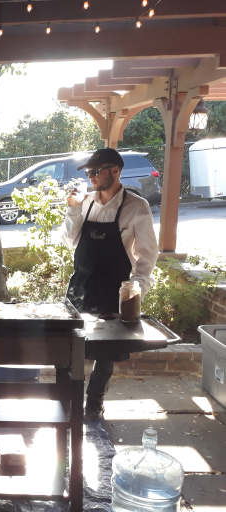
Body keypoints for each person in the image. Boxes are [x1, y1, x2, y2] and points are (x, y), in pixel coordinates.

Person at [59, 148, 158, 422]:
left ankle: (94, 403)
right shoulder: (85, 202)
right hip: (80, 285)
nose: (90, 177)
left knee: (106, 353)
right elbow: (69, 241)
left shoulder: (136, 207)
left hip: (114, 289)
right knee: (70, 348)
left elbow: (146, 255)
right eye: (88, 172)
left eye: (95, 171)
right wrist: (73, 209)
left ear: (115, 170)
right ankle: (69, 400)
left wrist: (134, 292)